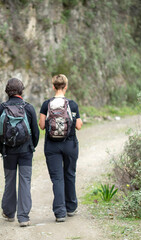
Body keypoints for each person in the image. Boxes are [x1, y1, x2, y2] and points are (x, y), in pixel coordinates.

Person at [0, 78, 39, 227]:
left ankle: (8, 213)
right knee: (25, 182)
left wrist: (3, 149)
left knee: (10, 181)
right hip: (26, 152)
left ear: (7, 91)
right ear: (21, 90)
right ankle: (23, 217)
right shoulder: (29, 108)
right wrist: (31, 147)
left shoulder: (2, 108)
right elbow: (36, 133)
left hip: (9, 152)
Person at [38, 74, 83, 222]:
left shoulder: (46, 104)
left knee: (57, 178)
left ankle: (60, 213)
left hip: (52, 145)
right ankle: (71, 207)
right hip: (70, 144)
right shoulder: (72, 104)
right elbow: (78, 126)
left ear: (53, 87)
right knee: (69, 174)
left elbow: (42, 125)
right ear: (66, 86)